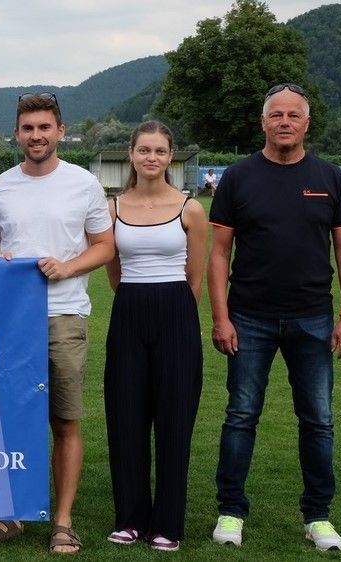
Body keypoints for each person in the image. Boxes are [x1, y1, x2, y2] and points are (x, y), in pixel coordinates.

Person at [208, 83, 341, 552]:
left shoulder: (330, 177)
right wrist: (221, 317)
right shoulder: (238, 177)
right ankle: (231, 511)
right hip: (249, 318)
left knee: (318, 420)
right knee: (240, 416)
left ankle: (318, 516)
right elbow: (218, 254)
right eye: (277, 115)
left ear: (306, 123)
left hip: (313, 318)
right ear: (264, 121)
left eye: (294, 115)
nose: (285, 122)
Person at [0, 92, 114, 555]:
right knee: (13, 418)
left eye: (44, 127)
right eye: (28, 128)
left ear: (59, 131)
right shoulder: (0, 187)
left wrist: (68, 267)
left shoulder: (84, 183)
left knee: (65, 419)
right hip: (12, 320)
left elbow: (104, 246)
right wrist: (2, 265)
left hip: (64, 314)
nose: (36, 136)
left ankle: (63, 520)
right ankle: (11, 513)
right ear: (17, 133)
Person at [103, 120, 208, 552]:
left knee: (173, 420)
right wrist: (135, 301)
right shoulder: (112, 208)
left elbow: (195, 278)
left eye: (160, 151)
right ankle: (130, 518)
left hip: (176, 316)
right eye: (144, 150)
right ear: (131, 154)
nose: (151, 158)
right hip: (128, 311)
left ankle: (167, 523)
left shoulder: (191, 208)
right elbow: (114, 272)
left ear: (171, 156)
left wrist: (174, 314)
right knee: (125, 417)